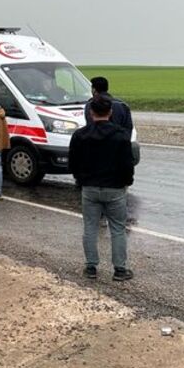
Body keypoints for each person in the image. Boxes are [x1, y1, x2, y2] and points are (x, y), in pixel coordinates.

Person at [69, 96, 135, 282]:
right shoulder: (121, 135)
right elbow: (127, 164)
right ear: (110, 112)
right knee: (118, 229)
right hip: (114, 188)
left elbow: (73, 163)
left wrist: (80, 179)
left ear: (91, 112)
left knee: (90, 226)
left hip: (90, 187)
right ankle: (120, 269)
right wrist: (126, 182)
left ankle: (91, 267)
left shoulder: (80, 135)